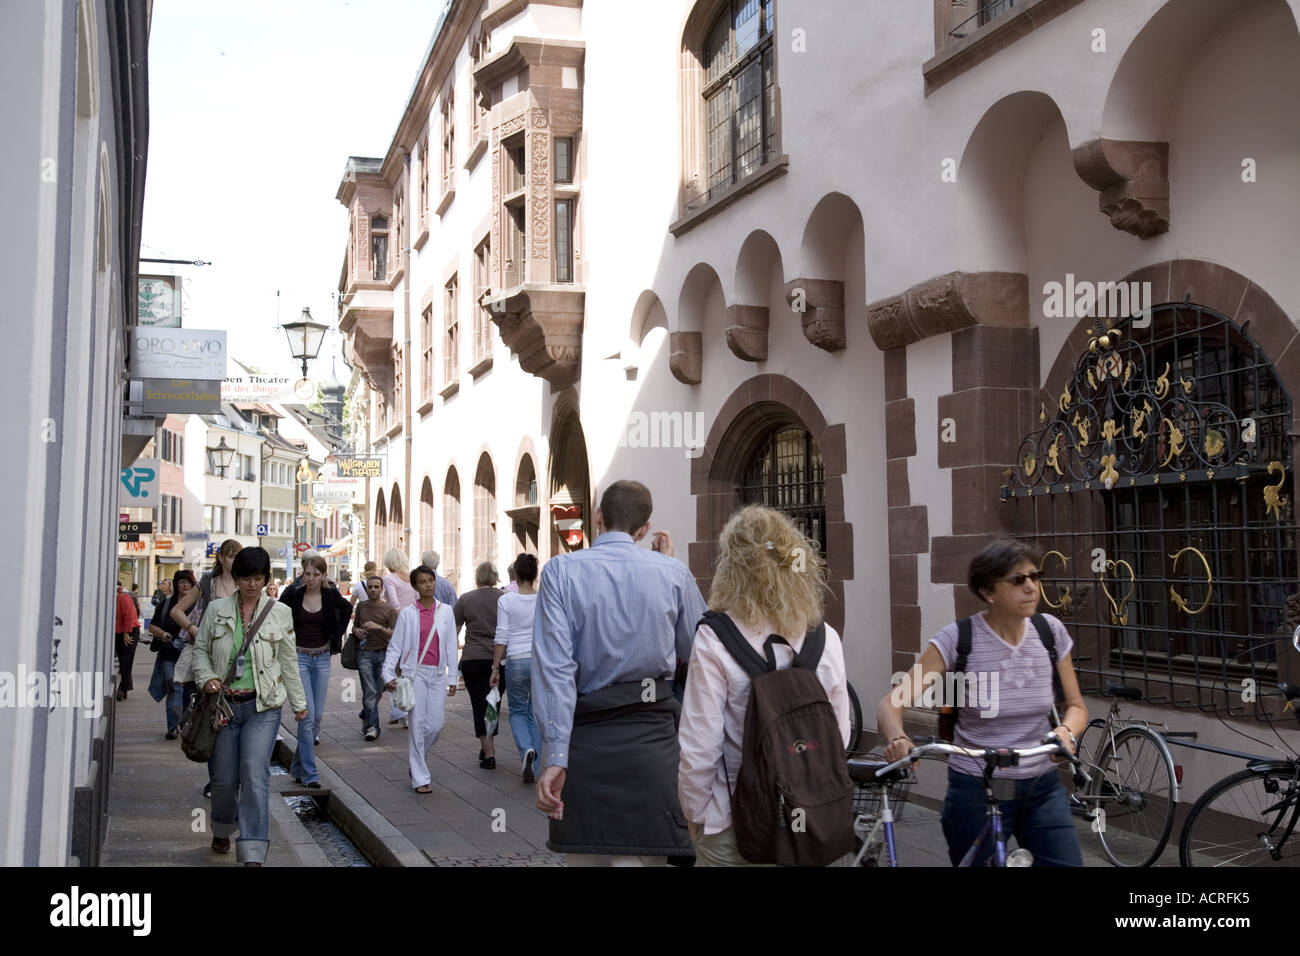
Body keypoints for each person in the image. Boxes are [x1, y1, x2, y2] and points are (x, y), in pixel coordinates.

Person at [877, 537, 1088, 867]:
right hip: (976, 787)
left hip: (1041, 786)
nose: (1032, 587)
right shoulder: (959, 639)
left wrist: (1066, 732)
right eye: (1018, 580)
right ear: (989, 592)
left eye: (1035, 576)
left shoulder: (1051, 632)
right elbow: (891, 704)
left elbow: (1076, 707)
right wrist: (899, 739)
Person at [532, 479, 707, 866]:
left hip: (587, 741)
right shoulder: (673, 574)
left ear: (597, 516)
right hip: (652, 742)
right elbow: (699, 655)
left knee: (586, 858)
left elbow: (555, 672)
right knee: (644, 859)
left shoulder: (561, 571)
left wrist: (555, 757)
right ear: (644, 529)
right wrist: (670, 566)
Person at [677, 506, 850, 866]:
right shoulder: (824, 636)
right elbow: (840, 734)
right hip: (812, 823)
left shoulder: (715, 638)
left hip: (735, 822)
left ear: (732, 568)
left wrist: (696, 815)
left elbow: (700, 746)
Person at [193, 546, 307, 865]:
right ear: (236, 578)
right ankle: (221, 828)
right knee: (225, 780)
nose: (252, 584)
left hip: (263, 707)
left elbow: (288, 660)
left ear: (266, 578)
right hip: (224, 709)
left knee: (255, 774)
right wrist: (206, 678)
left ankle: (253, 850)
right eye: (246, 577)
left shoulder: (280, 612)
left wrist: (299, 703)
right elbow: (200, 651)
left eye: (258, 577)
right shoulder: (216, 610)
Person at [172, 539, 243, 798]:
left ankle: (231, 779)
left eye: (238, 556)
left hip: (239, 664)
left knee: (237, 722)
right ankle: (216, 780)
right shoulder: (207, 583)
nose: (234, 560)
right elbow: (177, 611)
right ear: (221, 558)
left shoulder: (246, 582)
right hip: (211, 664)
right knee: (214, 722)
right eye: (231, 556)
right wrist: (193, 630)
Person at [279, 553, 353, 787]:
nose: (310, 578)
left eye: (316, 574)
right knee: (307, 715)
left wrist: (336, 637)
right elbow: (278, 615)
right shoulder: (293, 594)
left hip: (321, 658)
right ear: (302, 573)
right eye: (307, 574)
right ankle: (310, 774)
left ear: (324, 575)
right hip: (299, 658)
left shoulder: (331, 595)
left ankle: (297, 766)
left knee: (317, 717)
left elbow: (347, 611)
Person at [383, 565, 458, 793]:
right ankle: (420, 778)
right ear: (415, 587)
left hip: (437, 673)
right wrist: (387, 674)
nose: (428, 585)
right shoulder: (408, 613)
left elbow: (452, 645)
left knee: (436, 726)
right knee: (417, 723)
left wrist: (453, 676)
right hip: (414, 673)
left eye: (431, 580)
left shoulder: (445, 611)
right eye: (423, 582)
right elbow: (395, 647)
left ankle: (418, 762)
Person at [491, 553, 540, 783]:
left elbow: (502, 635)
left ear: (517, 575)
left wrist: (495, 666)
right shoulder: (544, 599)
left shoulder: (506, 600)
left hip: (516, 659)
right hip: (540, 661)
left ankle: (526, 749)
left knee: (518, 711)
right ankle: (535, 764)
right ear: (534, 574)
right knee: (535, 713)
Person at [454, 562, 505, 769]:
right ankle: (488, 747)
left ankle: (488, 750)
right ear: (495, 576)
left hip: (472, 658)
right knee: (493, 704)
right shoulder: (504, 599)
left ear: (477, 577)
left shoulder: (465, 599)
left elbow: (454, 630)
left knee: (479, 705)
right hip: (498, 658)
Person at [146, 569, 197, 739]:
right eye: (182, 582)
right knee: (174, 687)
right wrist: (162, 634)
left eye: (189, 582)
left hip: (190, 654)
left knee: (189, 691)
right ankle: (173, 726)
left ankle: (184, 721)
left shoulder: (198, 605)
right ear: (176, 584)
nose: (186, 585)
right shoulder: (167, 604)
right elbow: (152, 626)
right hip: (169, 653)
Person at [352, 574, 398, 741]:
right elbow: (355, 626)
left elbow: (395, 633)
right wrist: (356, 631)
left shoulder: (389, 609)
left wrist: (378, 627)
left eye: (376, 587)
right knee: (370, 691)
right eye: (370, 587)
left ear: (381, 589)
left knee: (378, 691)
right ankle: (373, 727)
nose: (372, 589)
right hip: (364, 653)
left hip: (384, 653)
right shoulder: (361, 606)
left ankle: (365, 712)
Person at [382, 549, 419, 725]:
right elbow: (418, 599)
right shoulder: (411, 577)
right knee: (409, 666)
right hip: (415, 625)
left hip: (397, 626)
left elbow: (394, 603)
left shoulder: (389, 579)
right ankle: (406, 710)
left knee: (395, 667)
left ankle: (399, 710)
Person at [114, 582, 141, 701]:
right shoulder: (118, 597)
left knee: (126, 660)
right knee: (123, 660)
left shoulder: (123, 597)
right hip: (121, 631)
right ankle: (124, 688)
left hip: (129, 631)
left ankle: (122, 688)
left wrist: (126, 633)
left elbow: (129, 615)